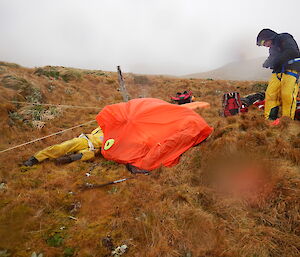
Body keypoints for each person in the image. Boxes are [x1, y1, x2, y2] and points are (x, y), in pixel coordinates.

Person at [256, 28, 300, 121]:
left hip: (291, 69)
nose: (265, 45)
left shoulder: (284, 37)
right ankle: (270, 119)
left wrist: (275, 61)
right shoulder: (272, 48)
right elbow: (272, 57)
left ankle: (286, 121)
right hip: (277, 72)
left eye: (264, 43)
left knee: (287, 95)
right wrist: (267, 62)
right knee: (271, 94)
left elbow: (292, 52)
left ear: (269, 37)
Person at [23, 127, 104, 166]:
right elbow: (93, 133)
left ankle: (67, 159)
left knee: (89, 155)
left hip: (93, 149)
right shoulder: (102, 128)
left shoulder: (116, 138)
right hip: (84, 141)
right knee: (62, 147)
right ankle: (35, 159)